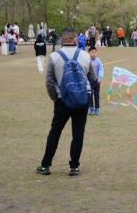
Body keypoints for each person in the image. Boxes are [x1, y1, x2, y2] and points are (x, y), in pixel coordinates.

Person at [37, 28, 97, 177]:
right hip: (82, 101)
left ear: (61, 40)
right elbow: (93, 79)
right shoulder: (85, 56)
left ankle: (45, 165)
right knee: (78, 133)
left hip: (62, 101)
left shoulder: (54, 57)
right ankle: (74, 166)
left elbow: (49, 82)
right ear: (75, 39)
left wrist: (55, 98)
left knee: (55, 132)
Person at [88, 46, 104, 115]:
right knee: (90, 95)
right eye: (92, 52)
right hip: (89, 82)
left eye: (95, 52)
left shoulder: (98, 61)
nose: (94, 54)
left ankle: (96, 108)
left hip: (97, 81)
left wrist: (100, 77)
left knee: (96, 95)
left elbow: (101, 69)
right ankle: (91, 107)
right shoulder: (87, 61)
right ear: (89, 53)